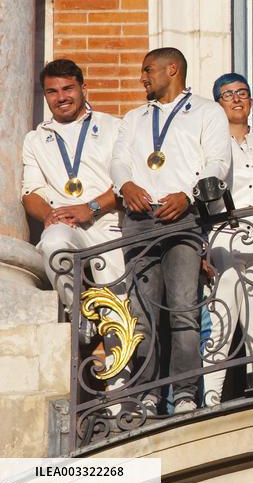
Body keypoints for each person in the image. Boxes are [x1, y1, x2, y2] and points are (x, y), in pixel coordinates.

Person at [111, 47, 232, 414]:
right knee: (143, 311)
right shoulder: (134, 118)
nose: (143, 77)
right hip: (140, 217)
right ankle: (146, 393)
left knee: (183, 308)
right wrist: (125, 185)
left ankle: (183, 394)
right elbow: (118, 160)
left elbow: (217, 161)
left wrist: (189, 195)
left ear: (172, 69)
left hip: (182, 217)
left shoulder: (207, 111)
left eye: (148, 70)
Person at [21, 59, 125, 325]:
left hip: (109, 222)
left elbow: (127, 183)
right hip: (67, 224)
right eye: (52, 92)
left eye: (68, 88)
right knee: (53, 242)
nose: (61, 97)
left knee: (118, 306)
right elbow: (31, 192)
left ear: (83, 88)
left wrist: (89, 207)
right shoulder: (35, 138)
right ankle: (79, 317)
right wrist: (50, 215)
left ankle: (120, 363)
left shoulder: (113, 127)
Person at [201, 73, 253, 406]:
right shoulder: (210, 147)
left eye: (242, 93)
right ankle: (210, 403)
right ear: (218, 104)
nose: (236, 99)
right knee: (220, 329)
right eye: (227, 94)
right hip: (226, 241)